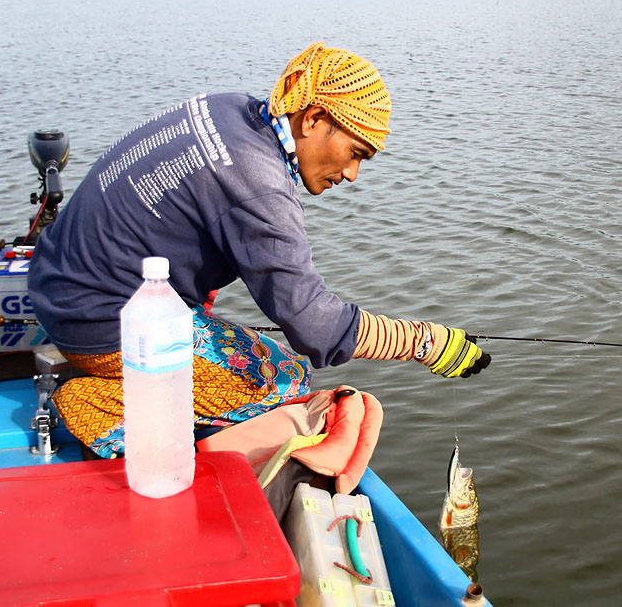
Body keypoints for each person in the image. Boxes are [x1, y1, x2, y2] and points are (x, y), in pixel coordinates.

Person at [27, 42, 491, 459]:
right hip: (99, 324)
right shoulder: (258, 184)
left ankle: (127, 379)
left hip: (57, 282)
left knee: (267, 357)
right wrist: (426, 343)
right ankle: (98, 404)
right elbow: (317, 328)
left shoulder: (230, 110)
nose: (351, 174)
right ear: (313, 119)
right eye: (354, 153)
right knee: (284, 381)